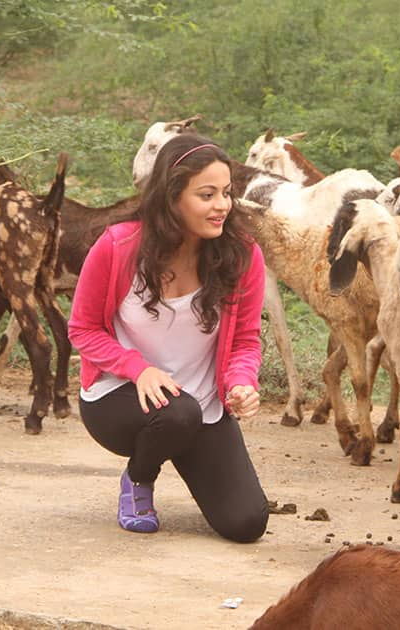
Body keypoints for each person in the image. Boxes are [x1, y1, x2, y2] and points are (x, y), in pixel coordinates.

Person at [68, 134, 268, 543]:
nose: (223, 206)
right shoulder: (117, 248)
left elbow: (246, 339)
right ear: (173, 196)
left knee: (246, 523)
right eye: (207, 195)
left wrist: (242, 382)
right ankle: (139, 479)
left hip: (200, 406)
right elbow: (82, 329)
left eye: (227, 193)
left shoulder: (242, 256)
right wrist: (137, 369)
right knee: (179, 412)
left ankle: (180, 445)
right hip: (121, 397)